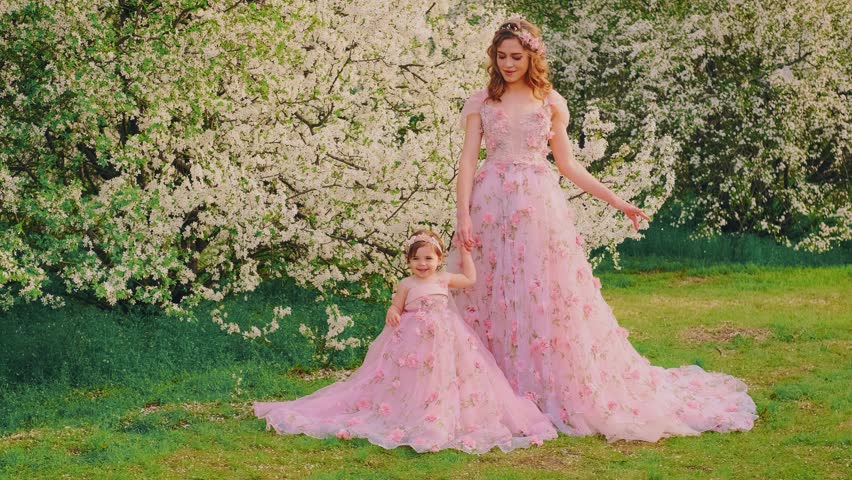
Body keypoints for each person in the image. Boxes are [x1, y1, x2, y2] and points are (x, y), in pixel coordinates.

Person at [447, 18, 757, 442]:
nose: (507, 64)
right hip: (487, 204)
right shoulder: (481, 101)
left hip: (537, 205)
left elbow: (569, 165)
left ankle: (543, 383)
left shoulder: (549, 102)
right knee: (488, 290)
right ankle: (491, 386)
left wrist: (618, 201)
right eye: (501, 57)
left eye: (516, 57)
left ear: (532, 56)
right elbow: (467, 160)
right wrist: (462, 214)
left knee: (541, 290)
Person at [254, 230, 557, 453]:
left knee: (448, 374)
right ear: (409, 262)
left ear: (439, 260)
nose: (422, 264)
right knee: (413, 376)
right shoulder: (406, 284)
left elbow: (471, 280)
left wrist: (465, 254)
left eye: (429, 258)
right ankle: (413, 407)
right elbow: (396, 305)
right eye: (416, 259)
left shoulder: (444, 279)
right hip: (413, 340)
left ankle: (446, 408)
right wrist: (392, 313)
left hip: (447, 337)